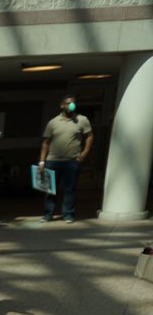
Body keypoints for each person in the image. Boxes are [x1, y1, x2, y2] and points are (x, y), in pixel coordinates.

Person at [38, 94, 94, 223]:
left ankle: (68, 214)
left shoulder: (82, 120)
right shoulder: (53, 122)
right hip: (53, 160)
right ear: (62, 105)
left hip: (72, 160)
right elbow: (46, 142)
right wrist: (42, 161)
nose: (71, 105)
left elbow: (90, 136)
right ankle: (48, 214)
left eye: (73, 103)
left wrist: (85, 152)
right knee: (50, 189)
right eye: (68, 103)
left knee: (70, 189)